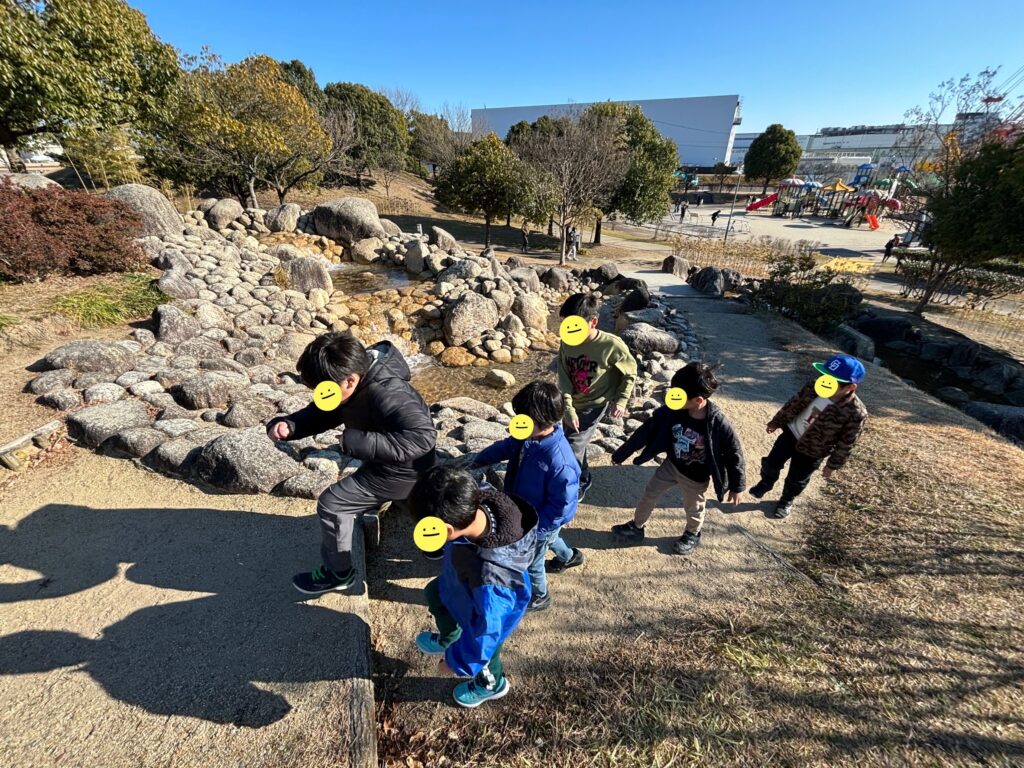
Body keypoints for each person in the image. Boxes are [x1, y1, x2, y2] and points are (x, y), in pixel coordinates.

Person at [267, 333, 436, 594]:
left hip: (401, 471)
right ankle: (435, 543)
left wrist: (356, 441)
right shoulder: (355, 376)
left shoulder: (388, 393)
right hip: (400, 464)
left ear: (350, 380)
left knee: (333, 505)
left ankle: (339, 574)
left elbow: (422, 437)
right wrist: (291, 425)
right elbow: (325, 411)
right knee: (413, 500)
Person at [411, 466, 536, 708]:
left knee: (487, 654)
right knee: (434, 594)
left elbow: (485, 633)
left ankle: (491, 684)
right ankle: (450, 638)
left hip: (480, 609)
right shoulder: (478, 504)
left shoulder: (493, 584)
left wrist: (455, 663)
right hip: (460, 583)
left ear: (448, 530)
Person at [610, 363, 745, 555]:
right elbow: (647, 430)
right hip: (671, 465)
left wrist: (737, 486)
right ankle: (636, 526)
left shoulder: (718, 423)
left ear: (698, 400)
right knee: (649, 494)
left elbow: (734, 452)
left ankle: (692, 533)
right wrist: (622, 453)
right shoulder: (673, 411)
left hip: (695, 476)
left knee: (694, 507)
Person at [471, 382, 582, 612]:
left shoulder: (560, 462)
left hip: (540, 522)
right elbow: (507, 447)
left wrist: (535, 531)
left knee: (533, 562)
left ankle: (540, 596)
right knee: (552, 540)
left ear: (538, 419)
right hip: (527, 509)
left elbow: (562, 507)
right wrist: (481, 458)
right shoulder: (528, 435)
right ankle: (569, 557)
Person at [749, 354, 868, 519]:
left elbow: (847, 442)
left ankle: (786, 500)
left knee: (797, 479)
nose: (825, 383)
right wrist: (777, 421)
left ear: (850, 387)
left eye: (832, 382)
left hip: (814, 449)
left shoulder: (855, 412)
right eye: (824, 377)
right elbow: (794, 403)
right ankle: (766, 482)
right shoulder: (814, 386)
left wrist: (832, 465)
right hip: (791, 434)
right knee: (771, 463)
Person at [557, 293, 638, 500]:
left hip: (595, 403)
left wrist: (621, 400)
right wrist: (568, 407)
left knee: (572, 445)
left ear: (593, 322)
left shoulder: (611, 345)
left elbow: (630, 372)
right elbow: (563, 376)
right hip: (572, 402)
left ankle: (573, 485)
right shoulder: (567, 342)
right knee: (573, 441)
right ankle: (584, 476)